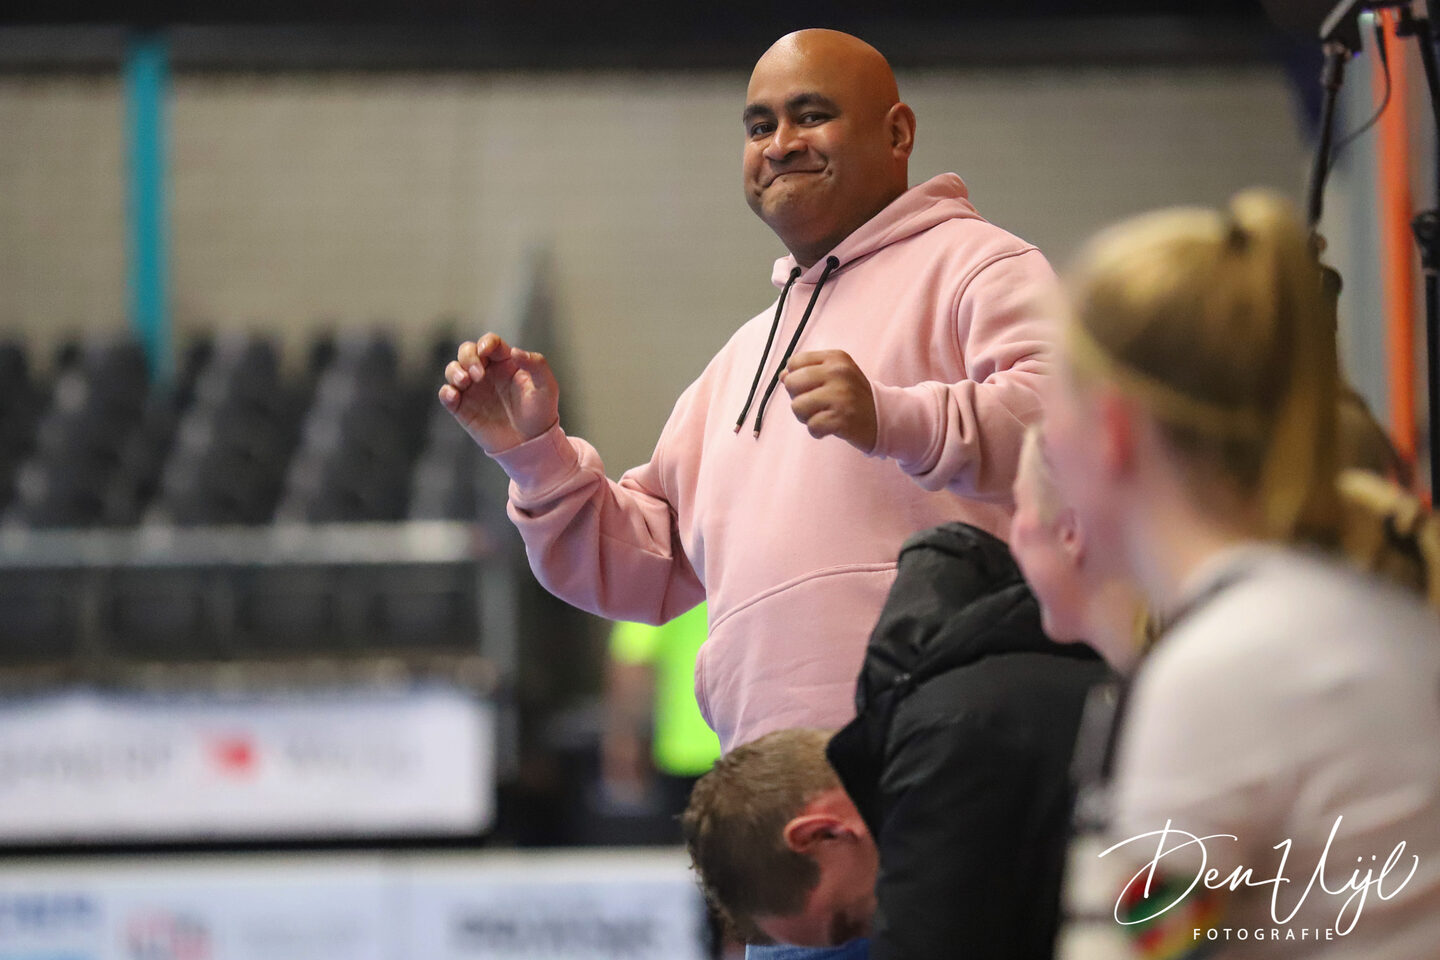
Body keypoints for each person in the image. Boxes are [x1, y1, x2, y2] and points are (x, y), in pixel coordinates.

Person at [437, 28, 1057, 754]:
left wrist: (894, 417)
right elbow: (644, 572)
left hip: (951, 739)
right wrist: (537, 458)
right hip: (766, 770)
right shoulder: (737, 365)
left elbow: (1063, 431)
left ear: (897, 133)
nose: (781, 144)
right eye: (760, 126)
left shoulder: (980, 266)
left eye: (811, 115)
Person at [1039, 189, 1440, 957]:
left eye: (1056, 405)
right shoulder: (1343, 620)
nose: (1046, 439)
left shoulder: (1226, 670)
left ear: (1113, 428)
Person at [682, 522, 1107, 960]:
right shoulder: (954, 686)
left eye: (850, 922)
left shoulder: (945, 759)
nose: (871, 938)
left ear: (823, 831)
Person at [602, 603, 720, 816]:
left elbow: (632, 661)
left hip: (686, 750)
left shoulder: (664, 586)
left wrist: (624, 739)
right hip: (750, 746)